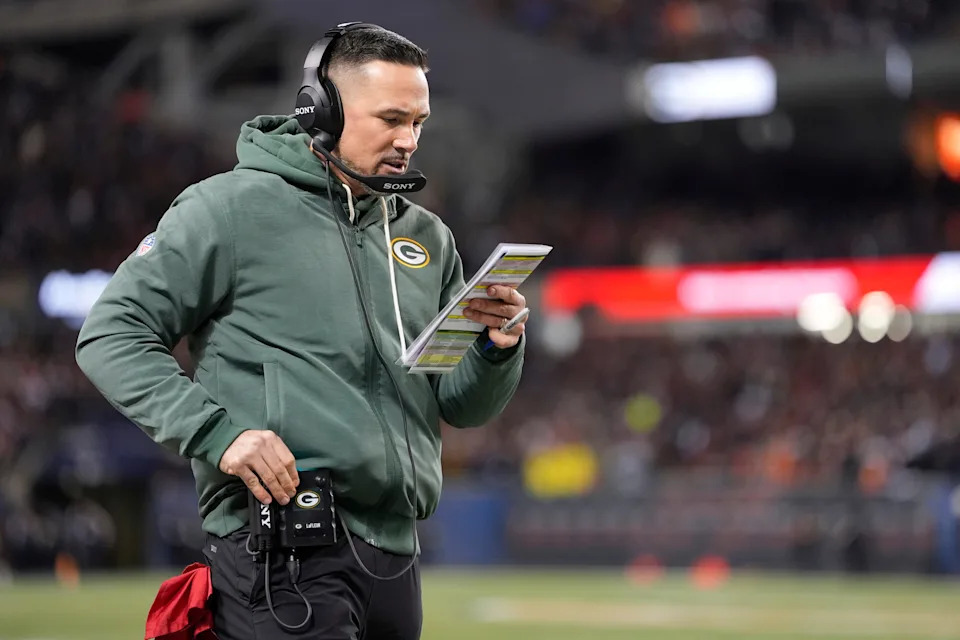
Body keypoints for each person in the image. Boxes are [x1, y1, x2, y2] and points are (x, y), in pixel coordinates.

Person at [76, 22, 528, 640]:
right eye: (390, 119)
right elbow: (111, 333)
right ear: (322, 110)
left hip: (397, 554)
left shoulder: (426, 236)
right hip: (281, 546)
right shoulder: (228, 209)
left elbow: (459, 404)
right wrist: (217, 433)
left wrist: (495, 352)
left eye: (418, 122)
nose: (408, 141)